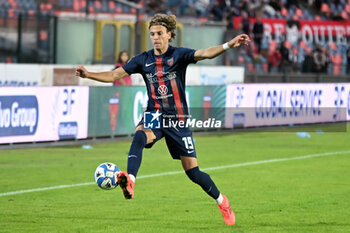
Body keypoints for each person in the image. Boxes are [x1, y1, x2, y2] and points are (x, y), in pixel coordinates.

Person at [75, 14, 250, 226]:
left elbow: (205, 54)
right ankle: (130, 180)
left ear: (169, 34)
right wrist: (88, 75)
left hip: (178, 120)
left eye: (159, 33)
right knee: (139, 135)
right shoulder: (143, 59)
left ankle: (222, 201)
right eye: (152, 34)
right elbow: (114, 75)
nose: (155, 38)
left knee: (193, 173)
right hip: (155, 114)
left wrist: (229, 45)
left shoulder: (179, 55)